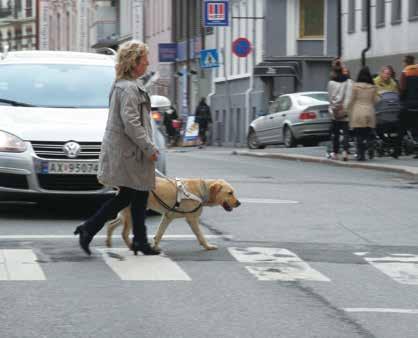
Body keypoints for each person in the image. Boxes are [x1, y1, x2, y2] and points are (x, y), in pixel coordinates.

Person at [74, 40, 161, 256]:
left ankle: (138, 239)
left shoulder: (123, 85)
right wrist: (149, 148)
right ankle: (90, 228)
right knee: (129, 196)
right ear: (134, 62)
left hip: (128, 151)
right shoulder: (129, 89)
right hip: (130, 153)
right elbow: (131, 123)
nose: (148, 63)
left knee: (137, 196)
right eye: (144, 60)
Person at [346, 66, 379, 161]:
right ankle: (369, 145)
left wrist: (347, 109)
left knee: (358, 134)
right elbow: (376, 100)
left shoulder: (355, 86)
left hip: (357, 112)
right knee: (367, 133)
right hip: (369, 111)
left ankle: (361, 155)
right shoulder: (373, 87)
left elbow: (351, 100)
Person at [327, 62, 352, 161]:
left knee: (336, 134)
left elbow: (329, 97)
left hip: (335, 111)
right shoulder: (348, 82)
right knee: (346, 132)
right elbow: (349, 96)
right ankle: (345, 152)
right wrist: (346, 109)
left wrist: (333, 107)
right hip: (345, 110)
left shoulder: (331, 83)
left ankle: (335, 153)